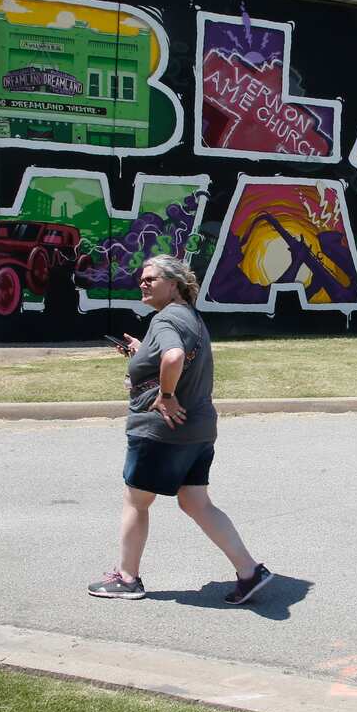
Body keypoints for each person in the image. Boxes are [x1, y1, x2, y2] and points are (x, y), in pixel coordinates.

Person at [88, 255, 274, 605]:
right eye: (141, 279)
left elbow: (173, 357)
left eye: (150, 279)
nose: (142, 283)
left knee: (136, 500)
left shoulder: (165, 318)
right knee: (195, 501)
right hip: (198, 429)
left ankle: (127, 579)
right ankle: (250, 572)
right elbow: (173, 356)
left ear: (174, 284)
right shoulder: (190, 318)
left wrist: (167, 395)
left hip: (163, 431)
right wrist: (142, 353)